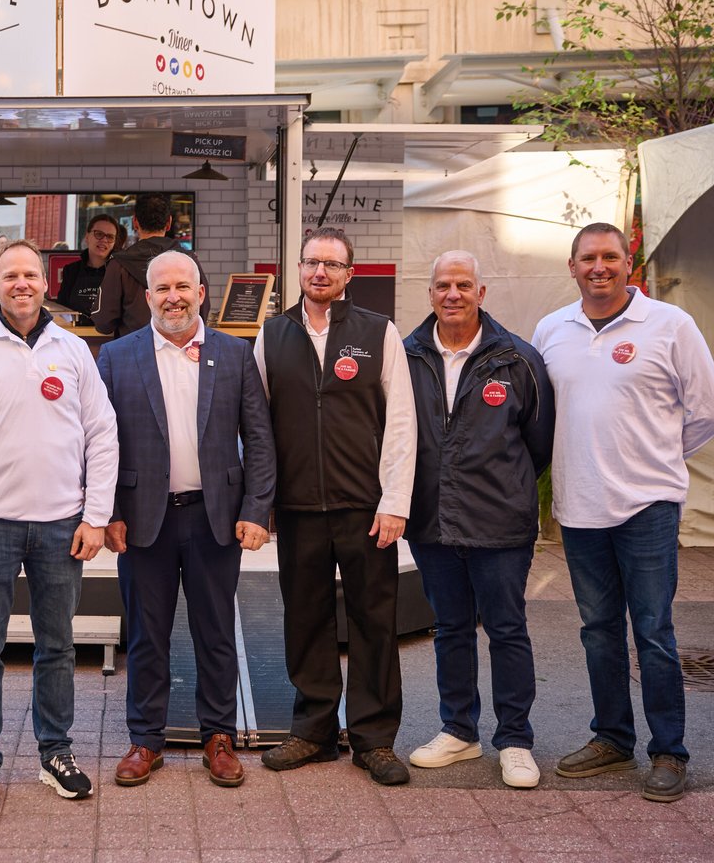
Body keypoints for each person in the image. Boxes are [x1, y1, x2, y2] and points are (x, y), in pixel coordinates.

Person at [532, 222, 714, 803]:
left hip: (647, 506)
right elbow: (541, 414)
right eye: (588, 258)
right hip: (580, 505)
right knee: (598, 632)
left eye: (610, 257)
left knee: (654, 633)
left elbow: (708, 413)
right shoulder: (551, 330)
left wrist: (657, 459)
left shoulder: (671, 325)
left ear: (628, 263)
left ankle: (668, 750)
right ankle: (612, 737)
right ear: (572, 266)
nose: (600, 267)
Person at [0, 239, 118, 809]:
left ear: (44, 281)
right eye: (10, 275)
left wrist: (96, 517)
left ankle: (55, 752)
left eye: (30, 274)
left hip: (62, 525)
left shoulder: (74, 350)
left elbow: (102, 435)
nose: (21, 284)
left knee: (57, 647)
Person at [97, 251, 274, 788]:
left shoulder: (236, 354)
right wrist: (108, 513)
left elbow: (260, 440)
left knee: (215, 632)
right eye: (162, 288)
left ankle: (217, 737)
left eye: (183, 286)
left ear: (201, 291)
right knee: (146, 635)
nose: (173, 296)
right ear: (147, 296)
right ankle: (145, 740)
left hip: (214, 518)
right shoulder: (116, 357)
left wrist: (257, 510)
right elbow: (99, 444)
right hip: (143, 520)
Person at [253, 226, 416, 786]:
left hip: (365, 507)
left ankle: (373, 739)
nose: (319, 272)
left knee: (374, 621)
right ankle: (314, 730)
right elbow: (258, 428)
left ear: (350, 273)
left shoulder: (377, 333)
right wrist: (264, 500)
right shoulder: (271, 335)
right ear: (298, 270)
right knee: (306, 618)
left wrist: (395, 502)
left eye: (331, 264)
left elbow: (401, 424)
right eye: (310, 263)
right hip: (298, 508)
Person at [402, 250, 554, 789]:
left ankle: (515, 740)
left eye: (463, 284)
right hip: (432, 522)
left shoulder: (518, 360)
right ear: (431, 293)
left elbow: (539, 445)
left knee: (508, 630)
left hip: (500, 525)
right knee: (450, 629)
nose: (453, 294)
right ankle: (459, 731)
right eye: (443, 285)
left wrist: (498, 489)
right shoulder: (407, 356)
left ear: (481, 293)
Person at [92, 194, 207, 337]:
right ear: (169, 222)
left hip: (134, 353)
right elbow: (203, 313)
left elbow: (104, 323)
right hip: (180, 352)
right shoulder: (189, 261)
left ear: (135, 222)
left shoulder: (119, 264)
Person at [56, 215, 120, 316]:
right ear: (87, 237)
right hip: (76, 331)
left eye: (110, 237)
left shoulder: (120, 272)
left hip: (110, 332)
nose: (104, 240)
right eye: (99, 234)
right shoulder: (72, 270)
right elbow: (61, 309)